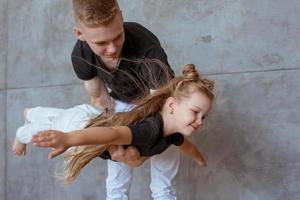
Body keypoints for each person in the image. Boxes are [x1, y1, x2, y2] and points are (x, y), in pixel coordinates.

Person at [32, 64, 214, 185]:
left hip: (91, 122)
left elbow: (185, 145)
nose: (199, 121)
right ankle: (27, 122)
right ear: (172, 105)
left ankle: (34, 115)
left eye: (203, 117)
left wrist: (199, 158)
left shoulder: (172, 135)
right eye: (195, 112)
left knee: (55, 117)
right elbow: (113, 134)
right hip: (80, 126)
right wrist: (68, 138)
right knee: (36, 129)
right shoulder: (150, 130)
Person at [71, 0, 180, 199]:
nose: (112, 49)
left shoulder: (147, 48)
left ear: (121, 16)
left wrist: (141, 155)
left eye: (117, 36)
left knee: (163, 182)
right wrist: (113, 138)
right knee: (116, 177)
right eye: (101, 43)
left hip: (159, 103)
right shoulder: (81, 54)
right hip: (120, 101)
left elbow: (161, 108)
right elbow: (98, 98)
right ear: (80, 34)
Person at [12, 101, 133, 156]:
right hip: (67, 125)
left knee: (52, 115)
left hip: (72, 116)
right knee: (38, 133)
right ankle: (21, 135)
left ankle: (29, 113)